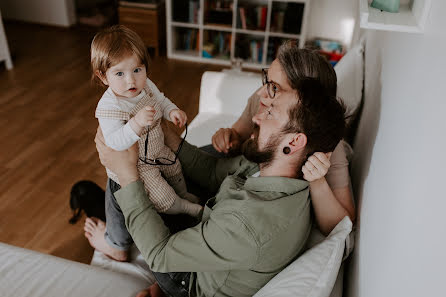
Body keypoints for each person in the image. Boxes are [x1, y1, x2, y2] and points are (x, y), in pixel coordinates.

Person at [89, 51, 347, 297]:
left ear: (295, 141)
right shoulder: (276, 169)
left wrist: (127, 175)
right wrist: (165, 134)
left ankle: (118, 248)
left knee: (122, 184)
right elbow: (213, 172)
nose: (257, 115)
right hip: (216, 228)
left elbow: (159, 254)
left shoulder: (250, 224)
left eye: (270, 111)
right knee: (156, 167)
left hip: (189, 280)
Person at [210, 44, 355, 235]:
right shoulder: (261, 99)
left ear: (303, 100)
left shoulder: (328, 147)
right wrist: (229, 137)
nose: (261, 92)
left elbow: (343, 224)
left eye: (274, 88)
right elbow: (238, 133)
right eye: (266, 80)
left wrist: (317, 181)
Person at [88, 25, 202, 262]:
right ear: (102, 76)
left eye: (137, 69)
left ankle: (184, 196)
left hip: (158, 151)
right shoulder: (109, 107)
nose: (131, 80)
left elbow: (161, 100)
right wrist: (136, 124)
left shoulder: (146, 85)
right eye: (119, 73)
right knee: (150, 197)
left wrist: (172, 111)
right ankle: (117, 243)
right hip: (132, 168)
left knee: (175, 169)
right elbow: (115, 142)